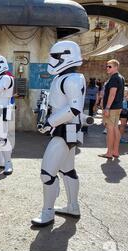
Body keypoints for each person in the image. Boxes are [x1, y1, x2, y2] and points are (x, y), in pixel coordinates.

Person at [30, 41, 86, 227]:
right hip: (69, 130)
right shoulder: (67, 78)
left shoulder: (71, 79)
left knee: (47, 173)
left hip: (64, 130)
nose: (51, 60)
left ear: (66, 56)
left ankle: (48, 212)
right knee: (67, 170)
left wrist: (49, 122)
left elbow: (75, 107)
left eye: (55, 56)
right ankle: (73, 206)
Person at [99, 59, 125, 159]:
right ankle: (115, 151)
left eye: (109, 66)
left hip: (112, 108)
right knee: (115, 128)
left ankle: (109, 153)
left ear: (116, 67)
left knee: (110, 130)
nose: (107, 68)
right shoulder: (120, 77)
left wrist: (107, 107)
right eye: (107, 66)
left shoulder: (114, 78)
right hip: (117, 107)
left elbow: (112, 94)